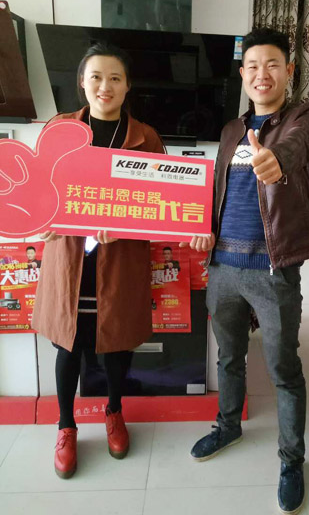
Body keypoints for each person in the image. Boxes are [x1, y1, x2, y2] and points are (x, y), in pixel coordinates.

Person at [183, 28, 309, 515]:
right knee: (229, 357)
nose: (262, 74)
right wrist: (205, 231)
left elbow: (299, 147)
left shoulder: (305, 118)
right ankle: (228, 426)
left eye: (272, 65)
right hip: (224, 267)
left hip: (273, 269)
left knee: (284, 368)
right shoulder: (231, 130)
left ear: (289, 71)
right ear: (242, 74)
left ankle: (292, 461)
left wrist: (275, 160)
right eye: (253, 66)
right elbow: (218, 194)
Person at [32, 43, 165, 479]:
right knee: (67, 345)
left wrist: (127, 225)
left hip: (120, 259)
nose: (104, 86)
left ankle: (114, 411)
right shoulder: (60, 130)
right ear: (82, 83)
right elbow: (40, 192)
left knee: (117, 343)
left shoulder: (146, 138)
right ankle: (65, 426)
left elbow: (161, 204)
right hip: (70, 259)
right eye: (96, 77)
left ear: (127, 86)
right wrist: (44, 221)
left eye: (114, 78)